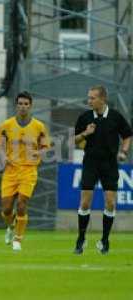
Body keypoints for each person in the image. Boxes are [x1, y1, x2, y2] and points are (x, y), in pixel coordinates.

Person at [73, 85, 132, 255]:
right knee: (85, 202)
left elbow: (127, 135)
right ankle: (81, 239)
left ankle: (104, 240)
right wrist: (85, 133)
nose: (89, 100)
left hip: (109, 165)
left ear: (102, 99)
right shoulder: (84, 117)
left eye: (92, 98)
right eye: (89, 97)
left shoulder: (115, 117)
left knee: (111, 203)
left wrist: (124, 151)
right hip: (90, 163)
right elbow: (74, 140)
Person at [0, 91, 51, 251]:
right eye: (20, 104)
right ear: (16, 105)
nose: (23, 107)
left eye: (26, 104)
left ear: (30, 106)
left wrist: (38, 153)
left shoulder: (39, 126)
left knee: (21, 204)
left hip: (28, 170)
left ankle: (18, 239)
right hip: (10, 171)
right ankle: (11, 225)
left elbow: (46, 147)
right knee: (6, 209)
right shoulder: (6, 125)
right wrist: (3, 156)